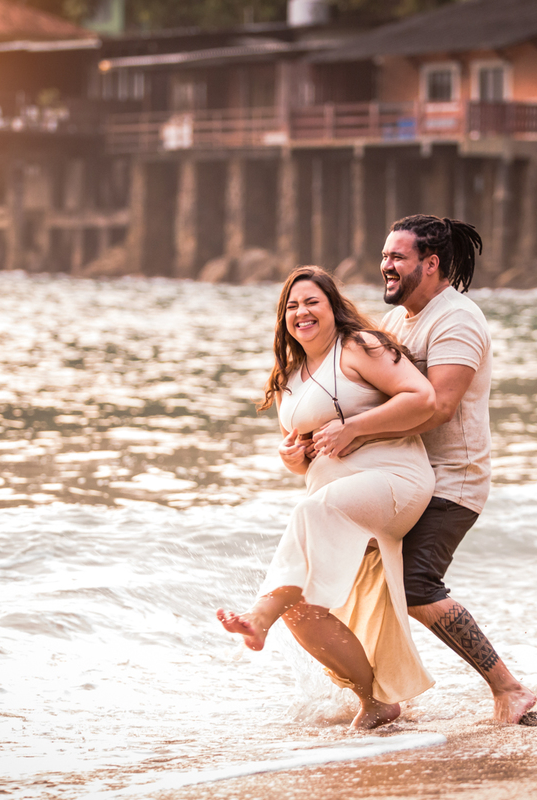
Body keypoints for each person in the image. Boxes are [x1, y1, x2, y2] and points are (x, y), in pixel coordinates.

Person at [217, 266, 439, 730]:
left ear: (332, 307)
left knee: (310, 510)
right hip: (334, 505)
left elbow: (423, 398)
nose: (302, 312)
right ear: (284, 320)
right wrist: (291, 456)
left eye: (312, 301)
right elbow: (305, 458)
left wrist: (355, 425)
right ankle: (374, 702)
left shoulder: (359, 347)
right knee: (300, 610)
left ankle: (259, 615)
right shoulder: (287, 380)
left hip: (393, 481)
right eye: (292, 306)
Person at [344, 214, 537, 724]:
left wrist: (356, 432)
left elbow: (440, 405)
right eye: (385, 255)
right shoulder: (397, 322)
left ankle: (509, 689)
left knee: (414, 583)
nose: (386, 264)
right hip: (407, 476)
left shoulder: (457, 319)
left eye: (397, 256)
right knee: (359, 575)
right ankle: (380, 698)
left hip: (454, 479)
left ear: (430, 264)